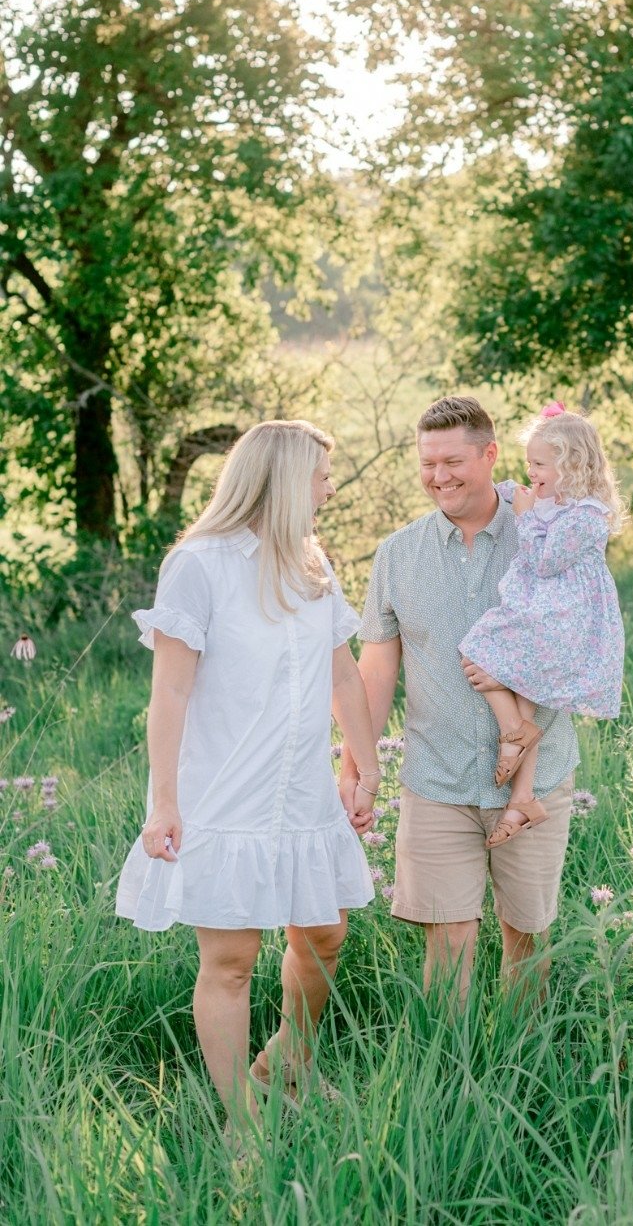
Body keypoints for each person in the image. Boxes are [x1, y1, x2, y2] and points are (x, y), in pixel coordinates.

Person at [116, 420, 380, 1130]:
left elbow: (342, 675)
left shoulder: (312, 562)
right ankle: (244, 1121)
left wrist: (366, 766)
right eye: (322, 476)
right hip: (224, 793)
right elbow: (170, 693)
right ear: (285, 480)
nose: (330, 488)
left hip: (303, 791)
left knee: (324, 937)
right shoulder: (198, 565)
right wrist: (164, 803)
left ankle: (286, 1065)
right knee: (232, 960)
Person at [344, 396, 580, 1003]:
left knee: (527, 940)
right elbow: (375, 674)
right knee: (447, 945)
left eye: (453, 462)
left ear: (490, 454)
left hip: (535, 779)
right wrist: (357, 770)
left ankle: (520, 1052)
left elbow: (580, 640)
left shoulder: (546, 535)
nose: (439, 476)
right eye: (428, 463)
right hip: (437, 780)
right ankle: (449, 1057)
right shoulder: (398, 554)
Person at [459, 402, 625, 847]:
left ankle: (513, 735)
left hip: (560, 620)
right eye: (529, 462)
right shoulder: (553, 503)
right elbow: (509, 493)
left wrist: (525, 515)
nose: (530, 472)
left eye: (539, 465)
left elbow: (545, 561)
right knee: (521, 692)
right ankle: (523, 796)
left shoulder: (587, 515)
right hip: (542, 614)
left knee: (477, 649)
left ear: (571, 466)